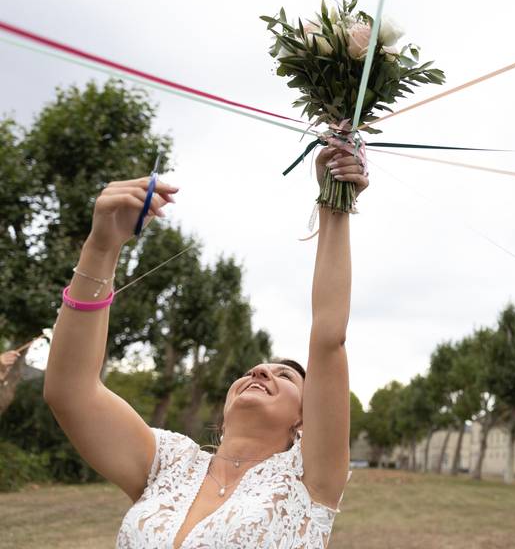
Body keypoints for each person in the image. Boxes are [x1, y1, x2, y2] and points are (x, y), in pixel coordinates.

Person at [43, 144, 368, 548]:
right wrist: (101, 248)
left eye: (285, 376)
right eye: (253, 370)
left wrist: (333, 204)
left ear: (305, 419)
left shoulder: (309, 478)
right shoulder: (169, 462)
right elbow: (69, 391)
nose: (260, 371)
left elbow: (328, 338)